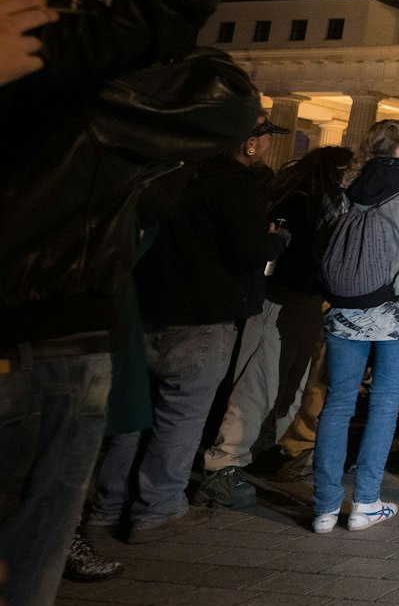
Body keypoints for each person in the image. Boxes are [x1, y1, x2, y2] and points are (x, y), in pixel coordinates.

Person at [0, 0, 306, 606]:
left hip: (75, 341)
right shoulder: (104, 113)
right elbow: (223, 95)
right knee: (29, 542)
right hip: (56, 343)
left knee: (35, 540)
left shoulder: (99, 107)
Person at [89, 124, 289, 541]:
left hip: (147, 310)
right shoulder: (236, 187)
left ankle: (106, 507)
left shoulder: (166, 178)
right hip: (203, 316)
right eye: (266, 135)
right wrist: (277, 240)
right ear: (248, 142)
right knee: (180, 418)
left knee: (132, 418)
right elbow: (248, 251)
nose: (270, 144)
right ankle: (156, 508)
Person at [198, 125, 348, 507]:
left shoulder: (304, 199)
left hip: (297, 301)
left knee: (284, 384)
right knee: (260, 383)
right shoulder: (308, 203)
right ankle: (224, 461)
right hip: (285, 300)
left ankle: (256, 450)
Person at [310, 119, 399, 532]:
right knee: (385, 404)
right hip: (398, 309)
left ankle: (325, 508)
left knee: (337, 403)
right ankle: (365, 502)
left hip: (346, 308)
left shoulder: (345, 191)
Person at [264, 146, 358, 482]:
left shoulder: (305, 198)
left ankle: (284, 444)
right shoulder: (330, 202)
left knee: (298, 375)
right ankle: (291, 446)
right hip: (317, 295)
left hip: (306, 294)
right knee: (308, 376)